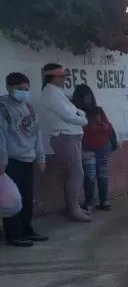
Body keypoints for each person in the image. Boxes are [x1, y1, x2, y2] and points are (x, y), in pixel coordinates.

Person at [0, 72, 47, 247]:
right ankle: (14, 233)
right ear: (9, 87)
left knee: (27, 197)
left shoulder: (29, 108)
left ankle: (27, 228)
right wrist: (2, 161)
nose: (24, 93)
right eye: (20, 89)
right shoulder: (3, 108)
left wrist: (40, 157)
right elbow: (1, 137)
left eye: (26, 90)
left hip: (28, 158)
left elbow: (37, 133)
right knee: (11, 199)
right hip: (11, 160)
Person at [38, 63, 90, 222]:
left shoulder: (56, 92)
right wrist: (84, 120)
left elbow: (75, 111)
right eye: (61, 77)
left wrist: (80, 116)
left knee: (73, 173)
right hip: (63, 136)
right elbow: (70, 115)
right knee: (76, 172)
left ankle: (74, 206)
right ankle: (73, 208)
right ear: (52, 76)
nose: (64, 80)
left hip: (71, 136)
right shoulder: (50, 93)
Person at [71, 84, 115, 211]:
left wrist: (102, 127)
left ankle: (103, 201)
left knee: (102, 175)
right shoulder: (75, 112)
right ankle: (89, 201)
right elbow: (79, 129)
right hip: (87, 148)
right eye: (85, 97)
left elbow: (109, 126)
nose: (88, 99)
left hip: (103, 146)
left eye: (90, 96)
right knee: (89, 176)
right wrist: (92, 128)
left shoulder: (98, 110)